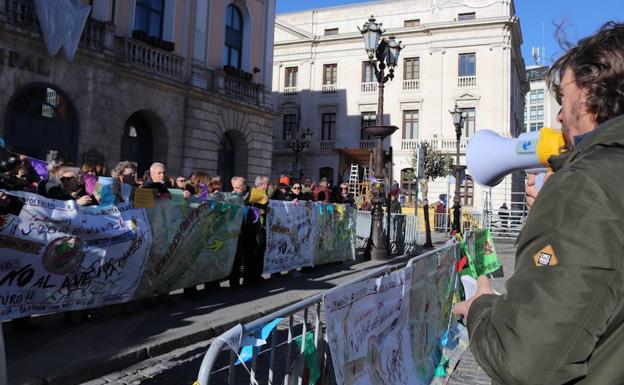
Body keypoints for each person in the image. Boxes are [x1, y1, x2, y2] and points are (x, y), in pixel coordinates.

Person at [453, 22, 624, 384]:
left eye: (563, 98)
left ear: (592, 94)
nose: (559, 116)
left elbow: (524, 359)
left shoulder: (585, 186)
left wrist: (479, 306)